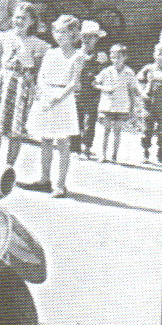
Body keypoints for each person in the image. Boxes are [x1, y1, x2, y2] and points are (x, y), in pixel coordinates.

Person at [0, 3, 49, 172]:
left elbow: (38, 69)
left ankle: (8, 168)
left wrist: (35, 88)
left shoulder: (36, 44)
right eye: (17, 17)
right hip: (3, 83)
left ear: (31, 22)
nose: (19, 21)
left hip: (21, 85)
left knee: (15, 130)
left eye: (23, 18)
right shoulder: (4, 37)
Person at [24, 14, 85, 197]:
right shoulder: (50, 52)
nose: (59, 35)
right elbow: (41, 75)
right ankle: (44, 179)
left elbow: (74, 83)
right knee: (46, 140)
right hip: (46, 97)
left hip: (63, 100)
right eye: (56, 31)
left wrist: (58, 98)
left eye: (64, 32)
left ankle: (60, 184)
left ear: (73, 34)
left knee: (63, 142)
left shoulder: (77, 56)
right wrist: (40, 93)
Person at [93, 43, 138, 164]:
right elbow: (94, 83)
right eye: (113, 57)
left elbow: (132, 91)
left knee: (117, 131)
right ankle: (102, 154)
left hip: (121, 106)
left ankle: (114, 155)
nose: (116, 60)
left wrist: (132, 108)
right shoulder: (106, 71)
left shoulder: (129, 72)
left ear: (125, 57)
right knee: (105, 130)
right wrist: (104, 88)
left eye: (119, 57)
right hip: (107, 105)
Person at [71, 20, 109, 157]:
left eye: (91, 37)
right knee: (75, 119)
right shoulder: (74, 54)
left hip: (92, 94)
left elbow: (106, 74)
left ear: (97, 39)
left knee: (89, 121)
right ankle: (74, 147)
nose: (87, 39)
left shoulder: (100, 56)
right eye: (85, 36)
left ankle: (86, 146)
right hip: (76, 92)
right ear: (80, 37)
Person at [137, 43, 162, 163]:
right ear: (154, 55)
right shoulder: (148, 69)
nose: (161, 57)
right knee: (147, 130)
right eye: (159, 53)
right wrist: (143, 93)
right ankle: (145, 153)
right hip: (149, 106)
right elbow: (137, 82)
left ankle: (160, 155)